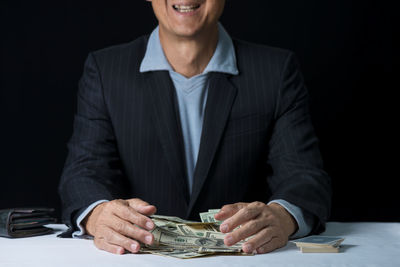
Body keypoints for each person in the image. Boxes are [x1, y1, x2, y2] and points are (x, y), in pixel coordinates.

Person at [58, 0, 331, 255]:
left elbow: (304, 176)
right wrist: (98, 215)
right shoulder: (106, 71)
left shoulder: (276, 71)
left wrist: (283, 217)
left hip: (246, 259)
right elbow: (83, 173)